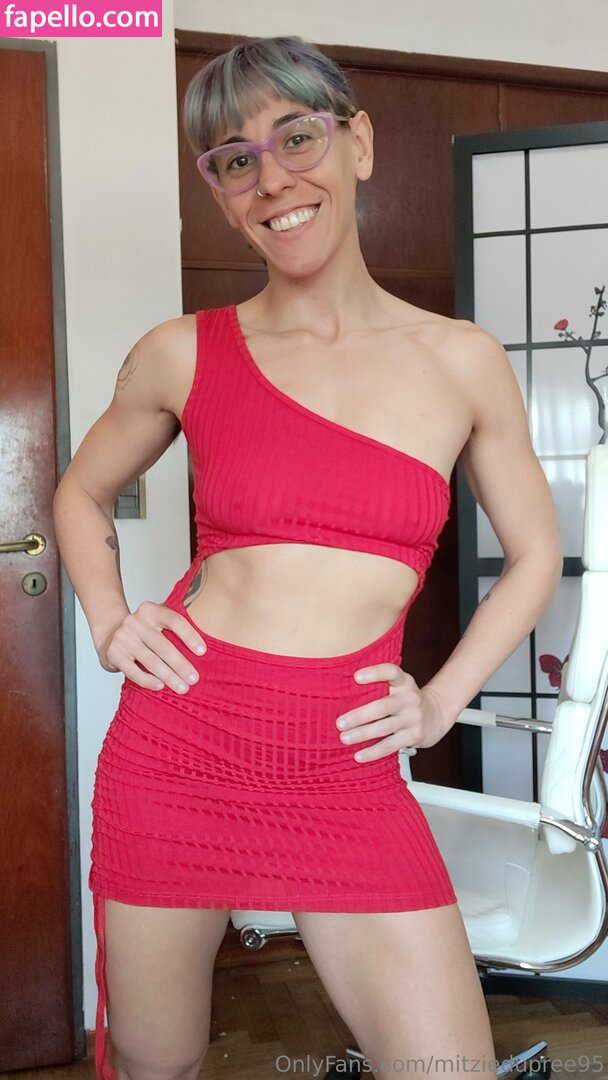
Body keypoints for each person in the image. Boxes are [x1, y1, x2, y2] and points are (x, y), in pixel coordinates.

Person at [53, 34, 563, 1080]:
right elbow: (78, 490)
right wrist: (109, 621)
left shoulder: (461, 361)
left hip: (344, 759)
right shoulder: (181, 351)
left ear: (357, 143)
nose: (272, 179)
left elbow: (534, 555)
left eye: (297, 138)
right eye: (235, 160)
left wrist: (439, 700)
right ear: (219, 193)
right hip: (179, 748)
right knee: (156, 1065)